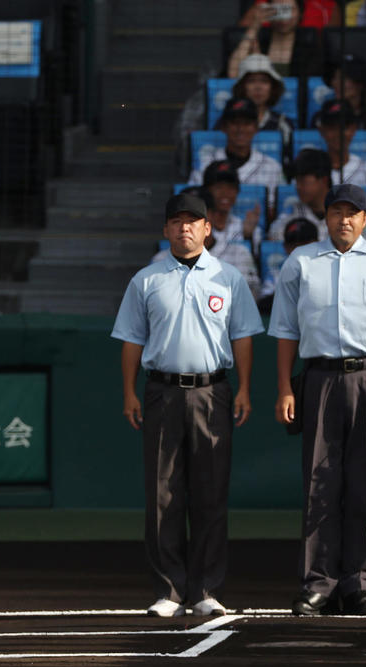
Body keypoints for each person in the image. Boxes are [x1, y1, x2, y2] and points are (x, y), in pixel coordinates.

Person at [270, 183, 366, 616]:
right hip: (319, 378)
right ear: (326, 216)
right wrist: (283, 387)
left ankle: (361, 582)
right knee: (320, 481)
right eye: (337, 212)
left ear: (365, 218)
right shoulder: (301, 262)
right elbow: (284, 332)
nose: (344, 220)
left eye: (353, 212)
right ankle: (318, 582)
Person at [113, 193, 263, 617]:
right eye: (176, 221)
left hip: (213, 390)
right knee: (163, 492)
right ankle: (169, 589)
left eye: (193, 221)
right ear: (165, 230)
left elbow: (244, 336)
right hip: (161, 390)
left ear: (208, 228)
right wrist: (128, 391)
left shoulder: (229, 278)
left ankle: (206, 589)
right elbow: (131, 339)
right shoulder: (146, 279)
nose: (184, 228)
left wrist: (244, 388)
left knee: (210, 492)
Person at [189, 98, 285, 192]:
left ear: (256, 128)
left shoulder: (271, 166)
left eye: (247, 123)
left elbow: (278, 204)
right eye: (235, 123)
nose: (241, 129)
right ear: (223, 127)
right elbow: (193, 202)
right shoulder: (205, 163)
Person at [228, 1, 319, 81]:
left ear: (300, 13)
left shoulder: (310, 43)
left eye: (289, 10)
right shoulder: (258, 40)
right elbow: (233, 75)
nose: (284, 17)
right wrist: (255, 25)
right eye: (277, 10)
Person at [311, 99, 366, 188]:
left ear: (353, 129)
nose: (338, 134)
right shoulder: (311, 170)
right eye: (332, 127)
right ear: (322, 130)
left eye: (344, 127)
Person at [227, 54, 294, 147]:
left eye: (264, 81)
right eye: (251, 81)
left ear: (273, 87)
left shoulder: (282, 124)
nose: (258, 87)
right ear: (242, 87)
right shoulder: (228, 123)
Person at [270, 149, 333, 241]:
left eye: (303, 181)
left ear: (323, 180)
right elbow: (273, 234)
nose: (298, 187)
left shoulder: (342, 211)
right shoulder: (293, 212)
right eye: (297, 181)